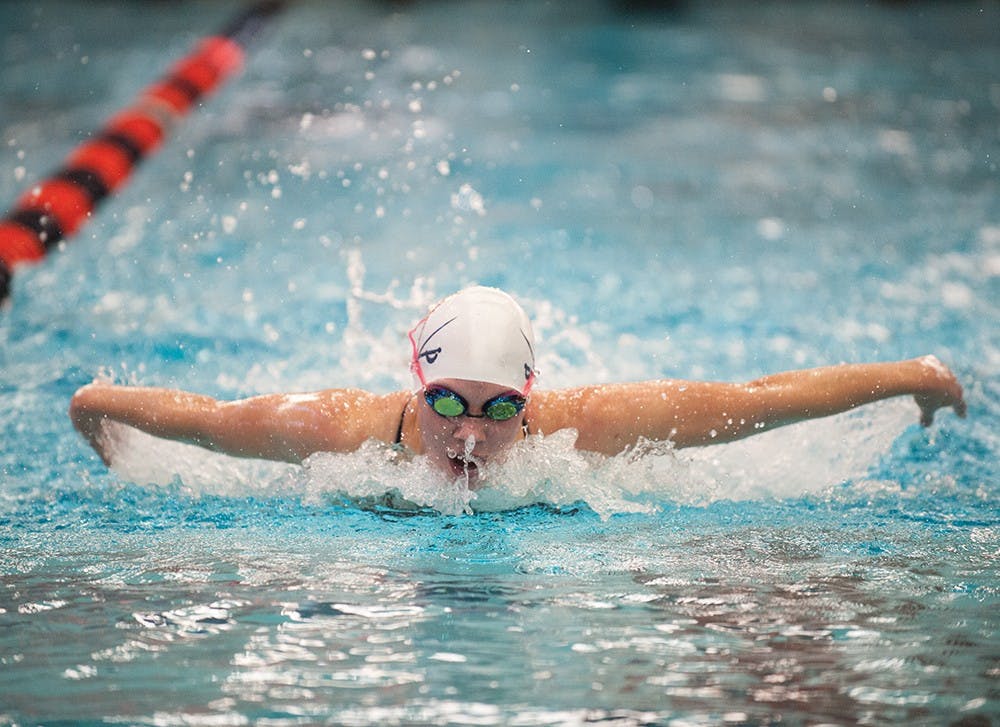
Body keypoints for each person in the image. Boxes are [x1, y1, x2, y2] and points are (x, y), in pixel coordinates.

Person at [70, 286, 967, 487]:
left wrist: (916, 380)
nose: (471, 433)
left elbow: (763, 398)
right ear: (413, 388)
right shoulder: (341, 431)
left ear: (531, 401)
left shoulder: (594, 428)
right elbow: (212, 421)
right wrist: (95, 407)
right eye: (448, 402)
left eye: (502, 408)